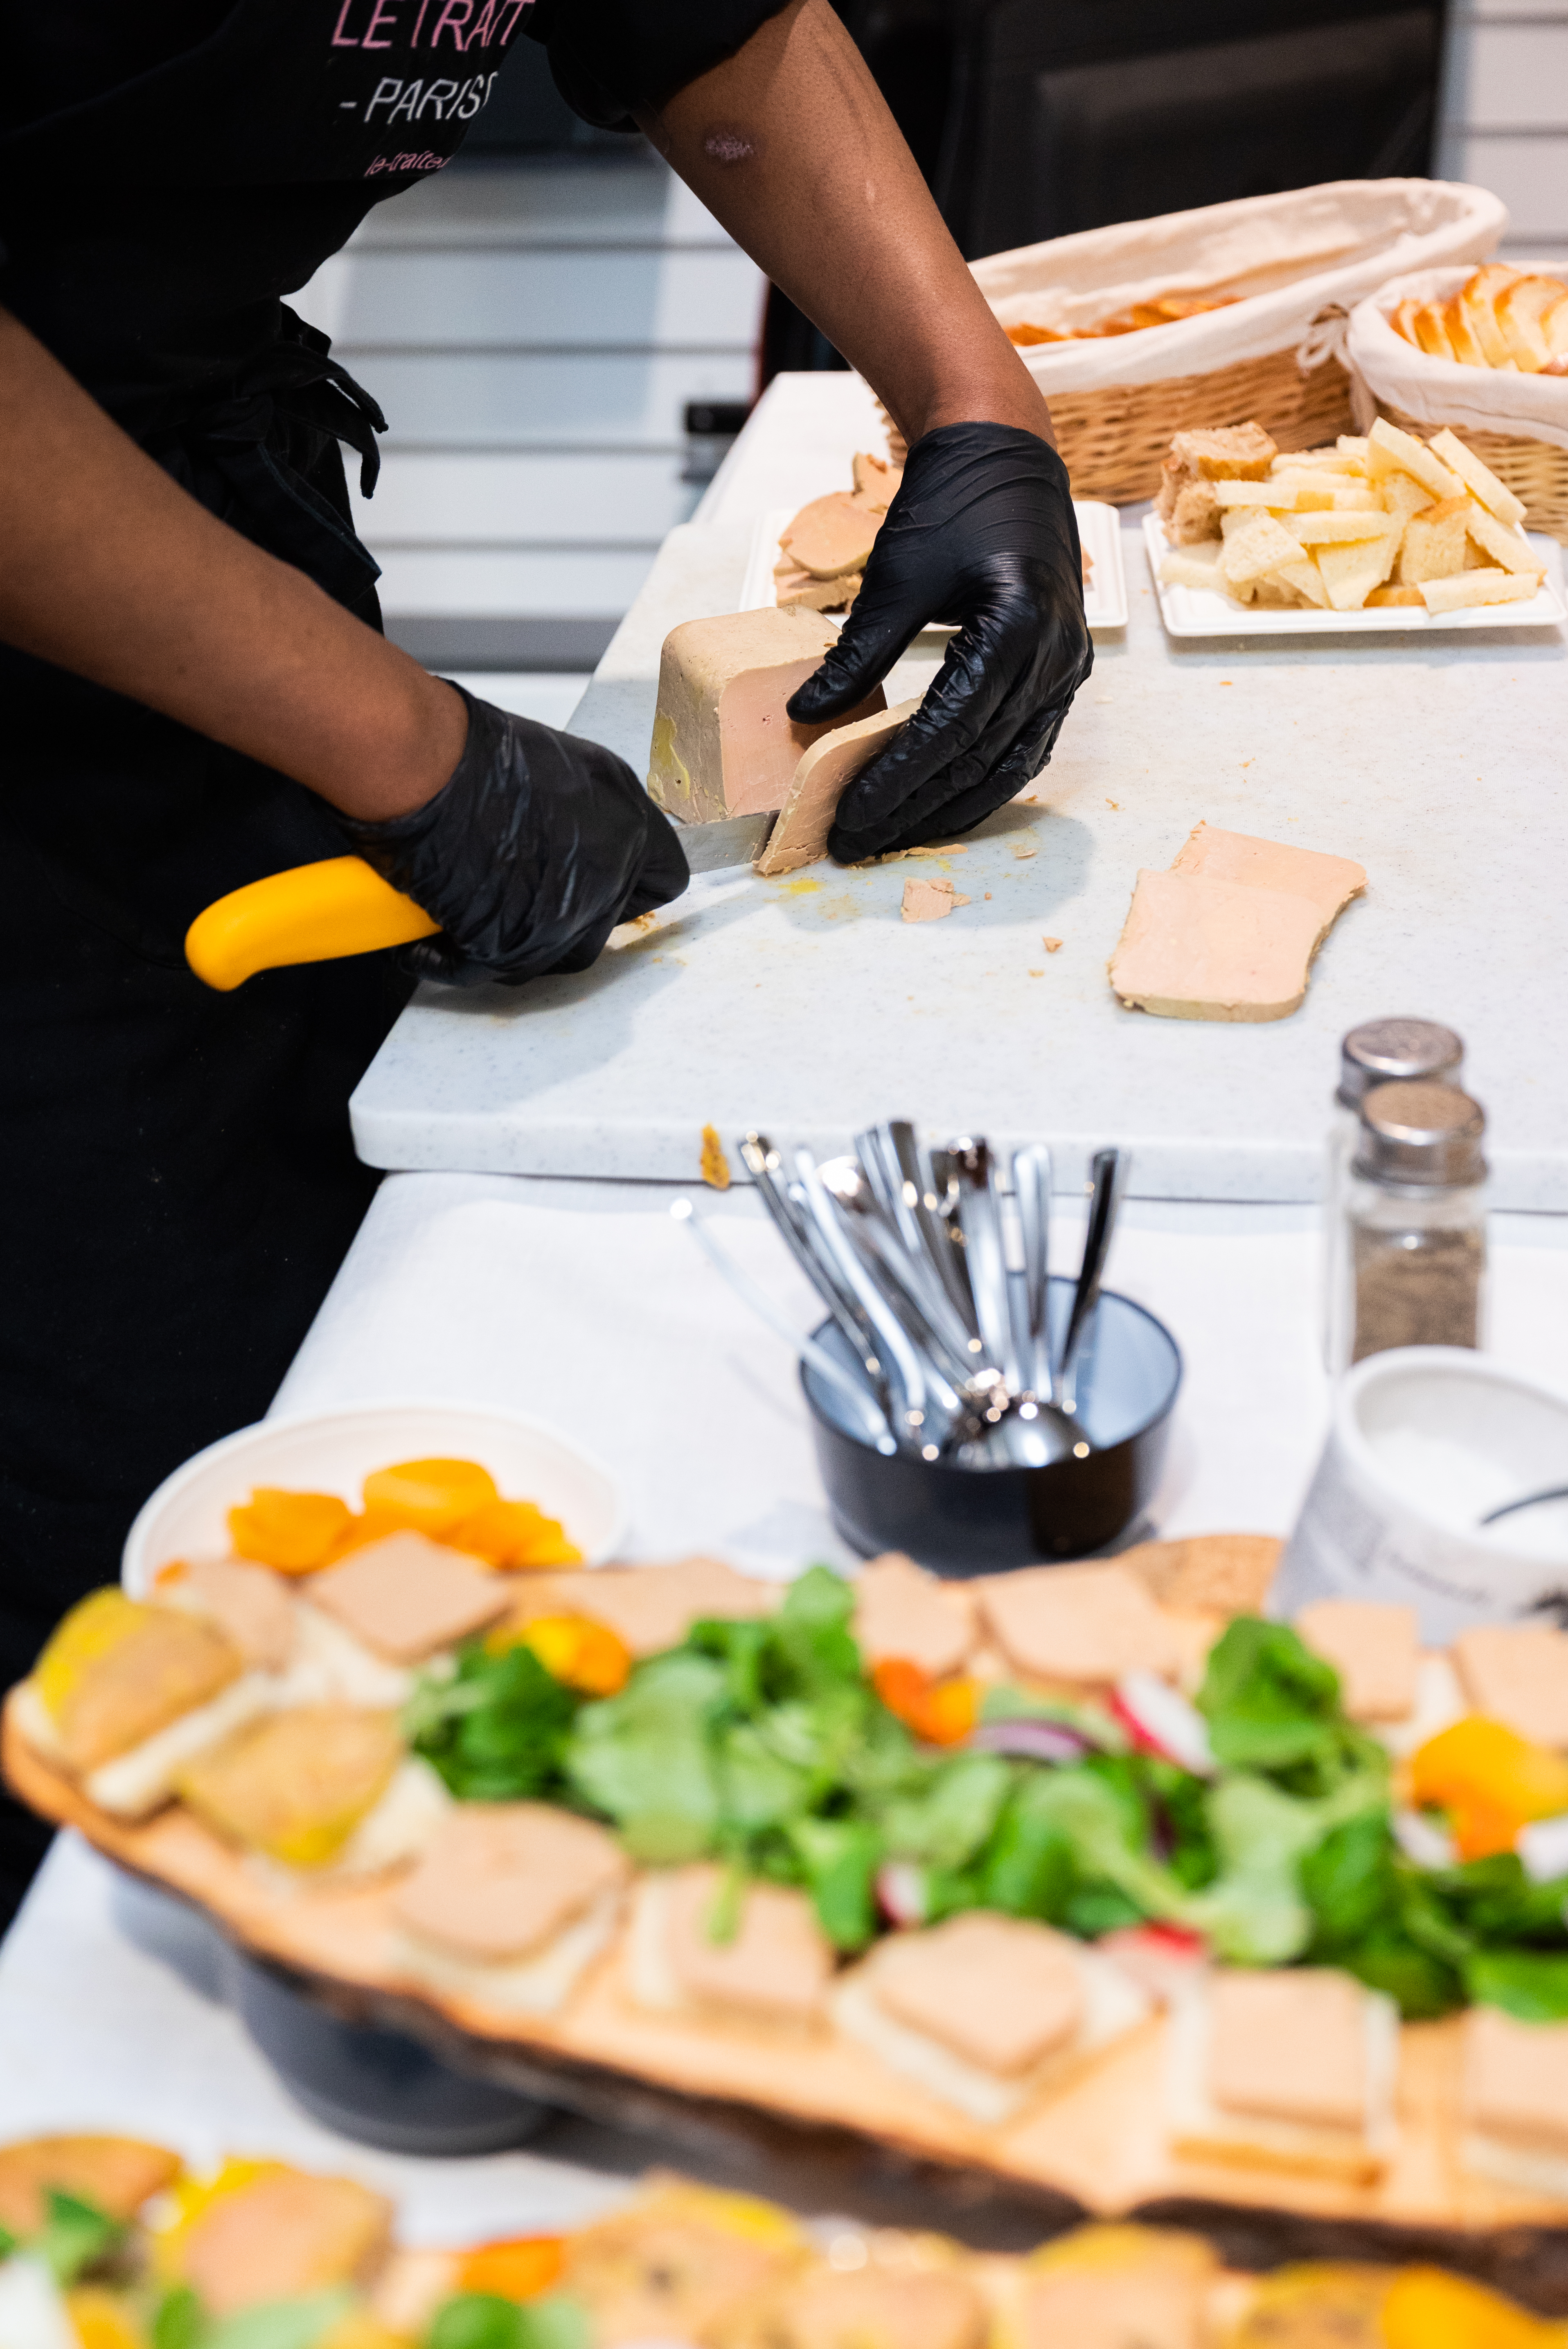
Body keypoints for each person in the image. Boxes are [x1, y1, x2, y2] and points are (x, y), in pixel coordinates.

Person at [0, 0, 1090, 1922]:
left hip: (198, 512)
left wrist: (977, 410)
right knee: (100, 1467)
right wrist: (419, 751)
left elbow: (699, 11)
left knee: (338, 1290)